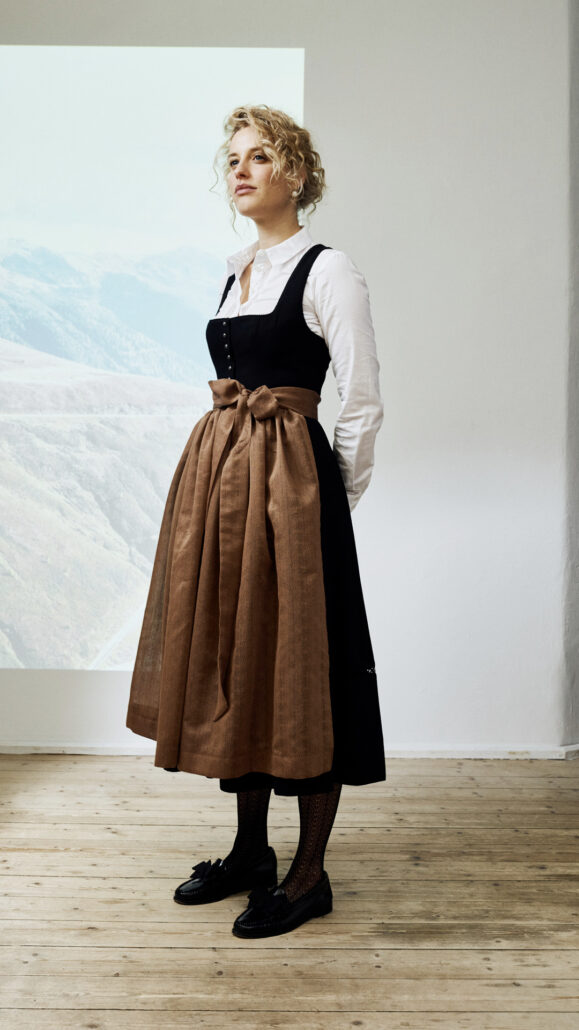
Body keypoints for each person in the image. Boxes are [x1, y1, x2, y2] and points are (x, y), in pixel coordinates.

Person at [126, 103, 386, 939]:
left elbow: (362, 399)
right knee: (237, 656)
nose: (239, 171)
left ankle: (308, 875)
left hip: (292, 493)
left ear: (296, 174)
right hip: (223, 487)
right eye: (232, 159)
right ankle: (250, 852)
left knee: (304, 667)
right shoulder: (236, 270)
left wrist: (326, 503)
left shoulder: (328, 270)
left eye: (260, 157)